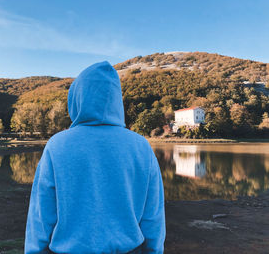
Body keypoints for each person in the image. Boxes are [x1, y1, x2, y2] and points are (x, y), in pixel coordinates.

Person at [24, 61, 166, 254]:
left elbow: (40, 216)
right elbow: (153, 218)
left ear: (76, 99)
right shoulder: (141, 147)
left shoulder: (58, 146)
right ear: (117, 100)